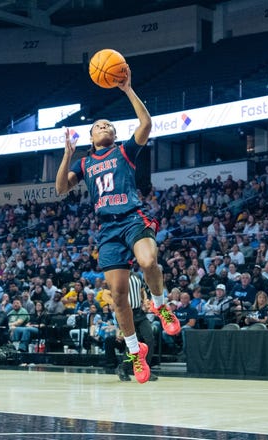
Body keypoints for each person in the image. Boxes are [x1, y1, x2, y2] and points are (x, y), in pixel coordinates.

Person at [56, 68, 179, 383]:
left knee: (149, 261)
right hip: (107, 230)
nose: (104, 126)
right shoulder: (84, 163)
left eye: (108, 124)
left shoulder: (125, 150)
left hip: (132, 217)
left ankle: (162, 307)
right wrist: (67, 154)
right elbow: (59, 190)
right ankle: (134, 352)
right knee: (118, 295)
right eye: (98, 125)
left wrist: (127, 90)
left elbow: (146, 124)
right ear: (91, 138)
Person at [102, 273, 158, 382]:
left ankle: (144, 369)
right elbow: (105, 294)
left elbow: (142, 291)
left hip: (139, 312)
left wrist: (145, 300)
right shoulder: (116, 276)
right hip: (125, 313)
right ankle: (123, 368)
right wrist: (115, 303)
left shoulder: (137, 276)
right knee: (132, 343)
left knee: (149, 338)